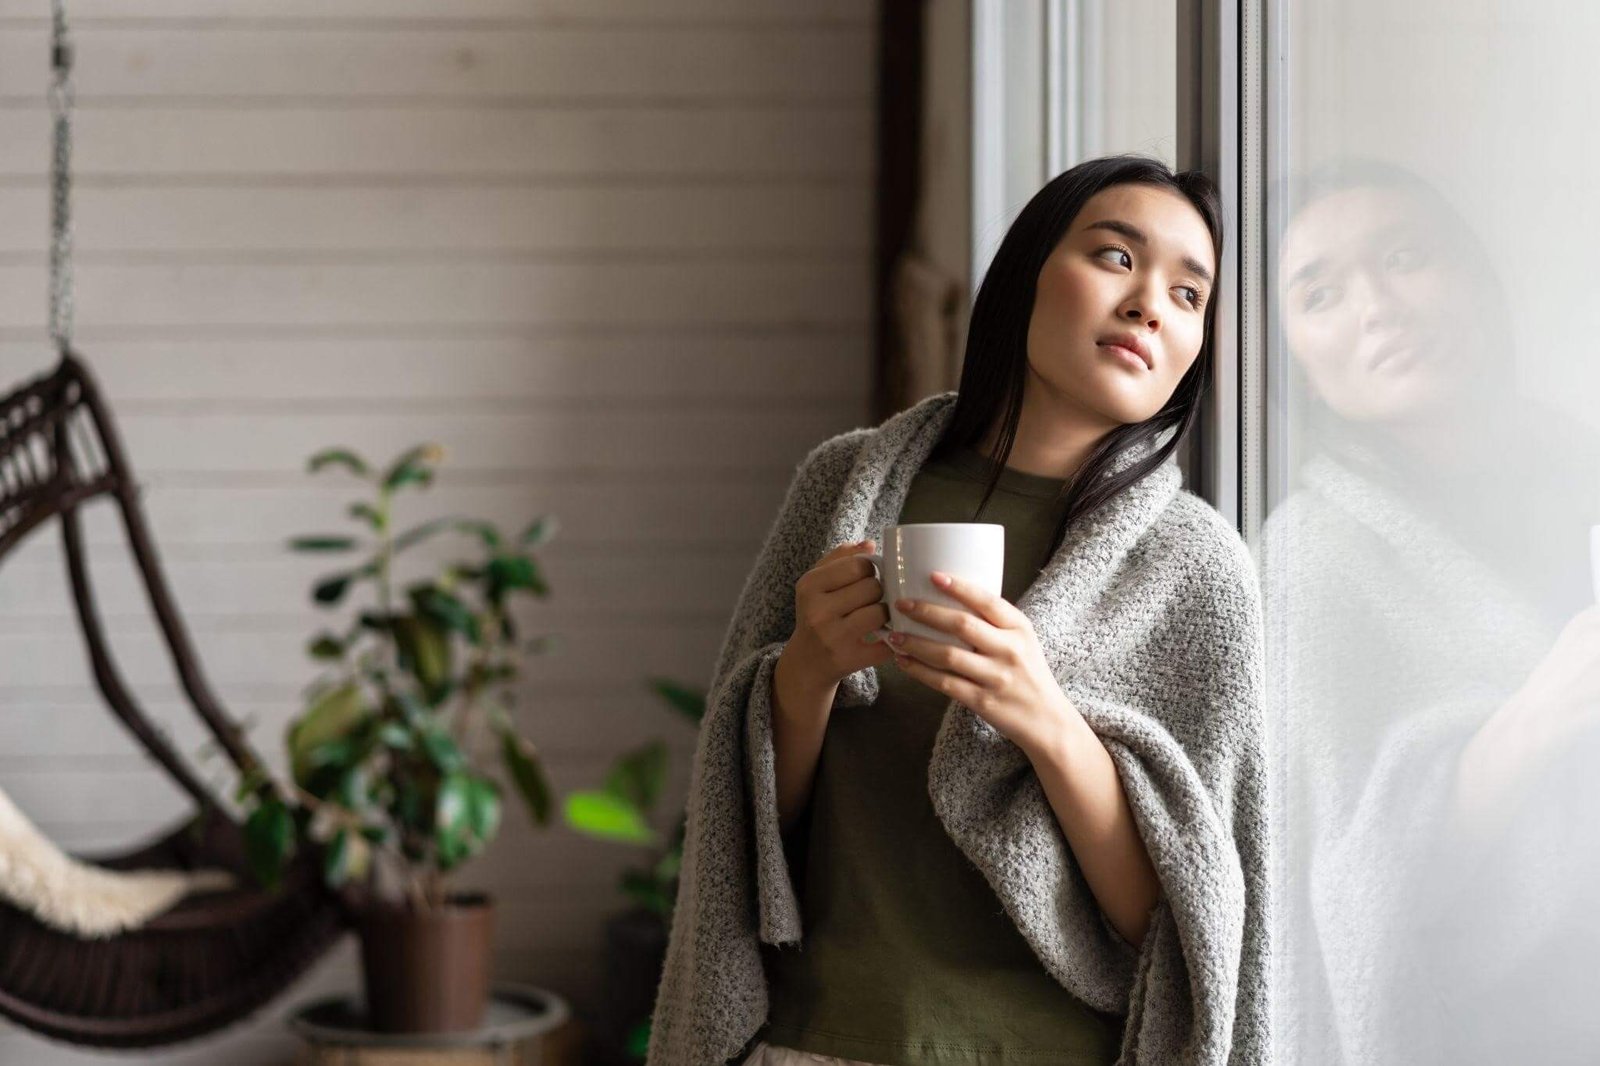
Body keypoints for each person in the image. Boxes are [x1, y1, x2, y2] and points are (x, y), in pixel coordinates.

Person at [647, 155, 1270, 1066]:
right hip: (817, 1042)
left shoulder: (1194, 567)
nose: (1148, 304)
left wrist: (1046, 722)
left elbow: (1180, 925)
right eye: (1114, 257)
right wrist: (804, 674)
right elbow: (747, 834)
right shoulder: (849, 484)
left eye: (1188, 295)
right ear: (1023, 275)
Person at [1261, 158, 1600, 1065]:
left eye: (1406, 256)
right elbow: (1337, 889)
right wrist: (1540, 719)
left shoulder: (1583, 472)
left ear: (1480, 283)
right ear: (1296, 363)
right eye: (1321, 293)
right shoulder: (1311, 558)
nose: (1378, 306)